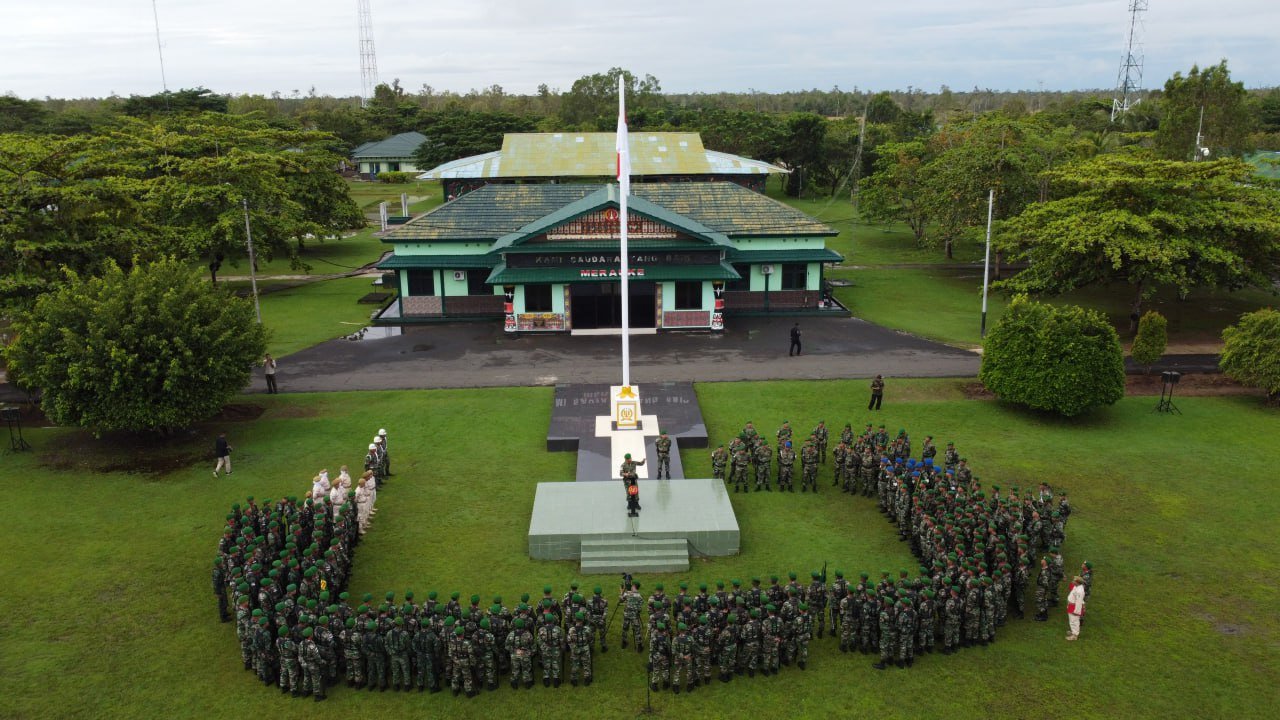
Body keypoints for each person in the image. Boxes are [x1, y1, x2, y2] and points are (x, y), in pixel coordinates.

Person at [1066, 575, 1086, 640]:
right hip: (1072, 605)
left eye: (1074, 580)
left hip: (1074, 607)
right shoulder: (1076, 587)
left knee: (1074, 621)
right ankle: (1073, 632)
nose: (1072, 581)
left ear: (1077, 582)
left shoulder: (1080, 591)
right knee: (1072, 620)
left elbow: (1079, 602)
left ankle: (1074, 635)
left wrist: (1076, 611)